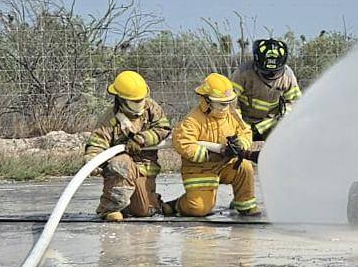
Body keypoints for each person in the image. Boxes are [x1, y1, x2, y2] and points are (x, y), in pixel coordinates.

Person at [164, 73, 259, 216]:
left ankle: (245, 205)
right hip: (200, 168)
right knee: (199, 209)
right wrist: (210, 154)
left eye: (227, 103)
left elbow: (246, 131)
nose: (224, 107)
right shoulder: (193, 120)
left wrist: (241, 144)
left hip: (226, 163)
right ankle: (177, 205)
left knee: (244, 167)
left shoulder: (233, 115)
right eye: (220, 103)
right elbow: (183, 142)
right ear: (206, 100)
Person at [84, 70, 171, 222]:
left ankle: (149, 202)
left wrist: (141, 139)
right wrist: (92, 161)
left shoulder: (151, 109)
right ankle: (109, 209)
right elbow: (98, 142)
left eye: (141, 100)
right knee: (121, 162)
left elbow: (163, 129)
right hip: (121, 170)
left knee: (144, 210)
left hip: (145, 168)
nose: (139, 104)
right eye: (134, 101)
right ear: (121, 99)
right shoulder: (110, 119)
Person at [230, 39, 301, 142]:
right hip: (244, 122)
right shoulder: (243, 73)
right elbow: (230, 102)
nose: (270, 75)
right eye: (266, 72)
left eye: (274, 72)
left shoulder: (287, 76)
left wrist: (284, 117)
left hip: (270, 123)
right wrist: (241, 125)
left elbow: (295, 101)